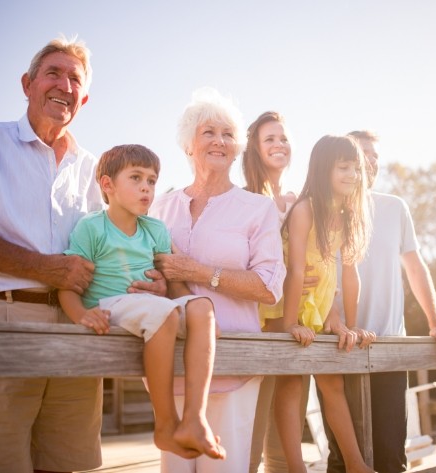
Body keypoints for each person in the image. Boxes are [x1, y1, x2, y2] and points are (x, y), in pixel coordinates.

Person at [0, 36, 165, 473]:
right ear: (28, 83)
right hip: (1, 322)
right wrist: (43, 268)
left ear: (83, 98)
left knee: (64, 463)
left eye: (75, 79)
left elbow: (114, 248)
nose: (64, 85)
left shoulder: (96, 171)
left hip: (77, 328)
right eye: (53, 73)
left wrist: (152, 282)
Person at [149, 87, 287, 473]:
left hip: (233, 364)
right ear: (188, 144)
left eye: (228, 134)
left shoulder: (257, 209)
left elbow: (268, 287)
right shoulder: (159, 207)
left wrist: (195, 272)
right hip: (171, 366)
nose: (219, 141)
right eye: (209, 132)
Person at [59, 143, 224, 461]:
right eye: (136, 178)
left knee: (203, 306)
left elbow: (173, 289)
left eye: (151, 180)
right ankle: (165, 424)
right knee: (161, 314)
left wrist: (198, 324)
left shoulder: (156, 229)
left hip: (151, 307)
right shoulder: (92, 227)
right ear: (107, 185)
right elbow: (68, 284)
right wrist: (81, 314)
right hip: (110, 305)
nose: (146, 187)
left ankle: (194, 418)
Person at [322, 130, 436, 473]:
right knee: (342, 459)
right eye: (360, 154)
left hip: (389, 349)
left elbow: (415, 267)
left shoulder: (395, 207)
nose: (369, 161)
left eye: (375, 155)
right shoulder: (323, 210)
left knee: (390, 458)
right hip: (337, 347)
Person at [266, 135, 377, 473]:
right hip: (285, 308)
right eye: (344, 167)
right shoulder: (304, 210)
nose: (353, 175)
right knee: (291, 382)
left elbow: (344, 276)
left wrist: (346, 323)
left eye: (355, 168)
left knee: (333, 383)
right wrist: (289, 326)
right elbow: (296, 270)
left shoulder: (343, 216)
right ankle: (296, 468)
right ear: (323, 169)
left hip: (317, 309)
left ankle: (357, 464)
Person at [243, 111, 308, 473]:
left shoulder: (297, 200)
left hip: (293, 316)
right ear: (255, 148)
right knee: (252, 422)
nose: (279, 144)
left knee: (289, 426)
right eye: (270, 139)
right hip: (256, 319)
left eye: (283, 138)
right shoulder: (245, 197)